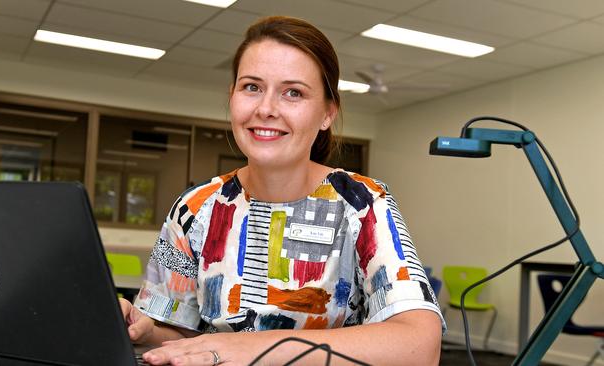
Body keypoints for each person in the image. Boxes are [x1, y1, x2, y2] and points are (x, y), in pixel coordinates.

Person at [119, 15, 444, 366]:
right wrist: (144, 328)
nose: (266, 109)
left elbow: (419, 345)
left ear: (327, 114)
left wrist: (254, 346)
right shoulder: (193, 208)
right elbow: (179, 333)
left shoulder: (363, 204)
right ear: (232, 97)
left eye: (293, 93)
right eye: (252, 87)